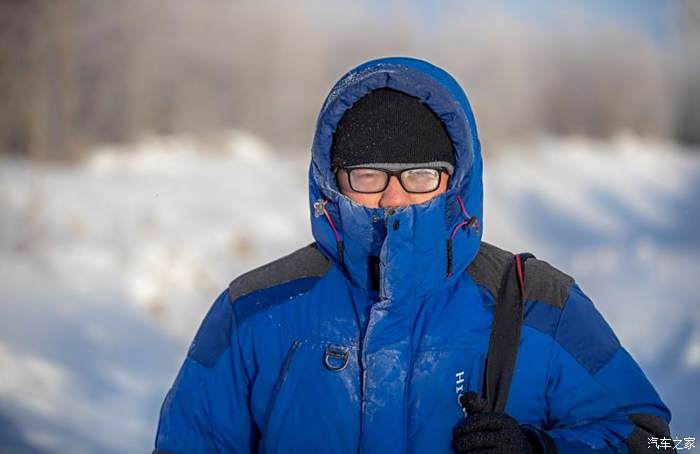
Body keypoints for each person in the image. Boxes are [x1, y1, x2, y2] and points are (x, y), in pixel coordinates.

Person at [154, 57, 672, 453]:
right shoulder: (254, 311)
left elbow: (665, 444)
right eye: (368, 175)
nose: (394, 197)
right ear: (331, 183)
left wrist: (545, 449)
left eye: (421, 175)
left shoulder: (541, 303)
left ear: (455, 182)